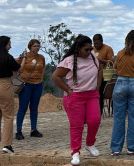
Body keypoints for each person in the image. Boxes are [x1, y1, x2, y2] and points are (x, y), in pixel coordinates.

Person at [53, 34, 102, 166]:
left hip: (92, 95)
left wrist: (97, 87)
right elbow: (56, 76)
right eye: (86, 49)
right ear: (78, 48)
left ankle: (90, 143)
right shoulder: (69, 61)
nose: (89, 51)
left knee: (95, 120)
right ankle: (75, 152)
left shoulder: (93, 58)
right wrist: (68, 90)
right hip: (75, 97)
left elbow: (100, 70)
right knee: (77, 125)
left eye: (90, 48)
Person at [111, 30, 134, 156]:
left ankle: (116, 148)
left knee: (118, 117)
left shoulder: (120, 53)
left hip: (120, 83)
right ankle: (132, 147)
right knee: (133, 117)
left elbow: (115, 69)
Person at [0, 36, 23, 154]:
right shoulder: (7, 57)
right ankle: (7, 145)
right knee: (8, 117)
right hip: (4, 85)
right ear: (4, 45)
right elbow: (19, 69)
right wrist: (24, 59)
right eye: (9, 44)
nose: (10, 46)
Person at [15, 39, 46, 140]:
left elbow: (43, 68)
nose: (37, 48)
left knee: (34, 107)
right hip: (26, 84)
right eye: (34, 46)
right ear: (30, 47)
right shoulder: (25, 56)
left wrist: (40, 78)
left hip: (38, 84)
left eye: (38, 46)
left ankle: (34, 129)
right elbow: (15, 65)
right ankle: (19, 130)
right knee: (23, 108)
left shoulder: (41, 57)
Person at [93, 34, 115, 116]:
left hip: (104, 76)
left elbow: (111, 62)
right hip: (93, 76)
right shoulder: (92, 49)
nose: (96, 45)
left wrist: (99, 60)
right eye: (94, 43)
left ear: (102, 41)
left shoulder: (108, 49)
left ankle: (99, 113)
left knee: (100, 93)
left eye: (98, 43)